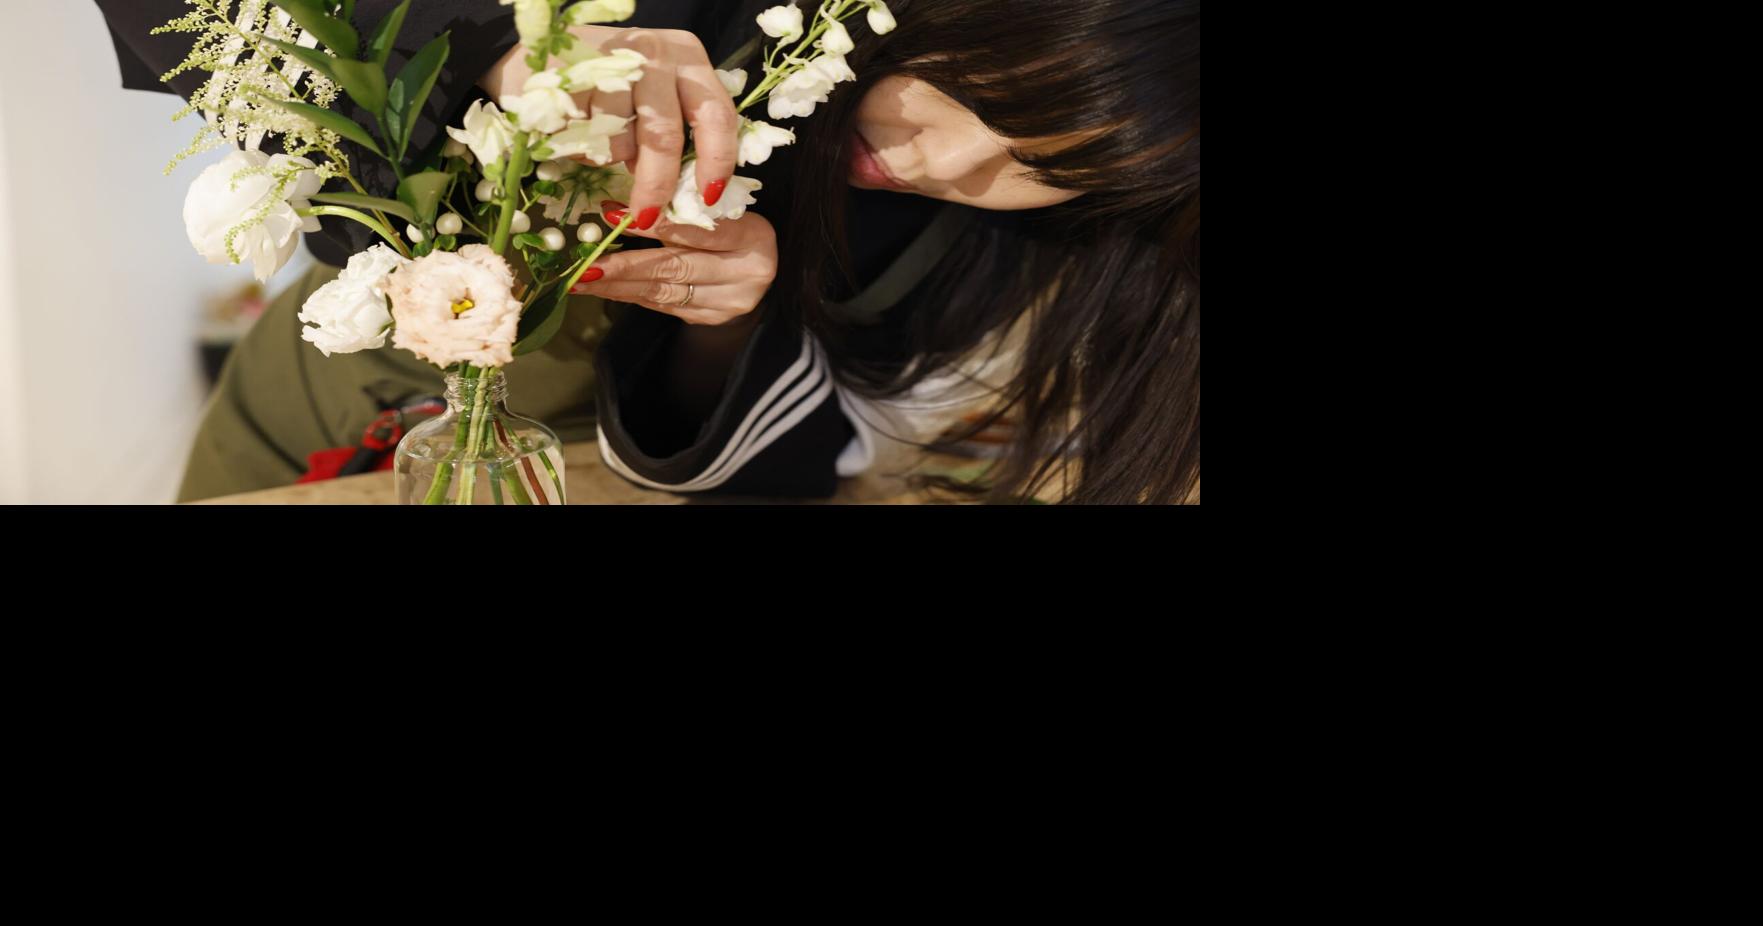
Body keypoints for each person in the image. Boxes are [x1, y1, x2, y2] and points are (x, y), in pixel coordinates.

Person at [98, 0, 1200, 504]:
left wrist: (724, 326)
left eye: (1040, 162)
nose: (945, 160)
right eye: (977, 89)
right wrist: (497, 58)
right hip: (315, 410)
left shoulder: (985, 250)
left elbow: (792, 469)